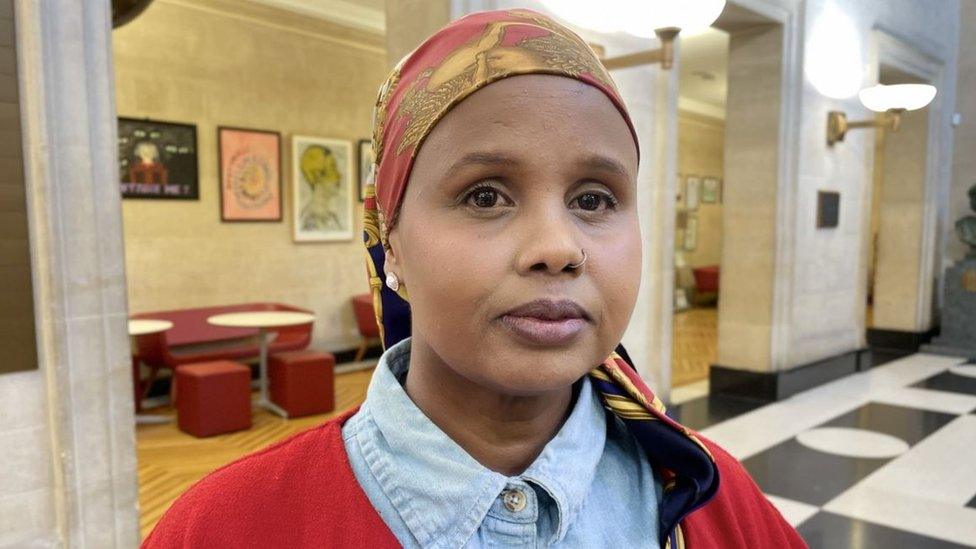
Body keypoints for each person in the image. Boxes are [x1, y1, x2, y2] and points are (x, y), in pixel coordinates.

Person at [143, 9, 806, 548]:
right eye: (485, 195)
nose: (557, 248)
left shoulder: (707, 496)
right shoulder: (225, 527)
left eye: (595, 198)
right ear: (389, 239)